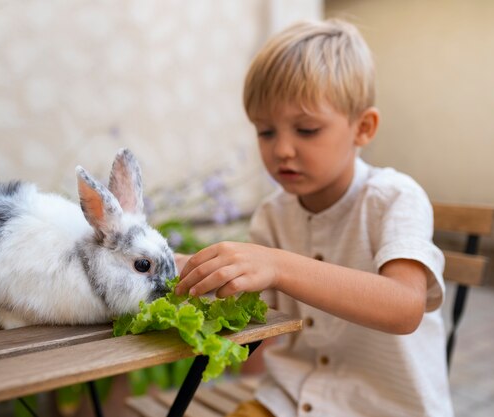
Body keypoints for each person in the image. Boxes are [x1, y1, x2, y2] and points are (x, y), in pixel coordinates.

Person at [174, 19, 453, 417]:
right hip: (289, 399)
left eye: (306, 130)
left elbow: (406, 307)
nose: (282, 149)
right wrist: (200, 273)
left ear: (363, 128)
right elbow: (258, 324)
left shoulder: (394, 199)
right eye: (266, 132)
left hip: (385, 406)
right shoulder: (274, 214)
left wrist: (277, 264)